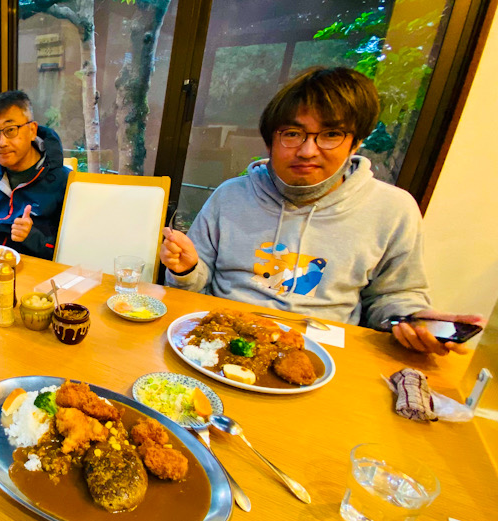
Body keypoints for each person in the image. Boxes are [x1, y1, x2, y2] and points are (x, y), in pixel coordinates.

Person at [159, 67, 482, 356]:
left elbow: (393, 297)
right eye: (292, 134)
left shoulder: (393, 209)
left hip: (325, 353)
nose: (307, 150)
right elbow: (196, 287)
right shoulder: (230, 195)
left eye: (330, 134)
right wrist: (187, 269)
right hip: (219, 341)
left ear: (355, 142)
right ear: (271, 139)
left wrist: (412, 322)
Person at [0, 90, 69, 260]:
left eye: (11, 130)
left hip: (32, 273)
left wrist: (32, 236)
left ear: (32, 130)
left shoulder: (63, 181)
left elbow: (67, 252)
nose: (2, 142)